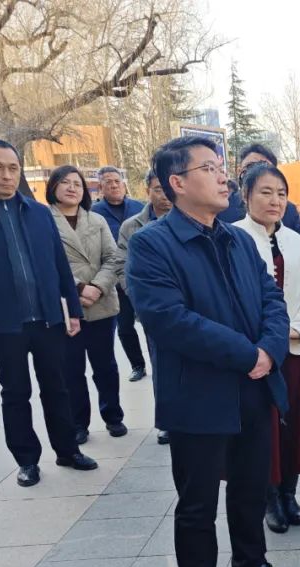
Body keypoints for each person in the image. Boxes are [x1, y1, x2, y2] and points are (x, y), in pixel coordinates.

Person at [127, 135, 298, 567]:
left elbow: (272, 298)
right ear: (177, 183)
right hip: (199, 398)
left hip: (253, 388)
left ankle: (250, 562)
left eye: (222, 166)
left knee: (250, 487)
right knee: (198, 501)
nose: (223, 176)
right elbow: (169, 320)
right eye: (209, 167)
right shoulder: (151, 244)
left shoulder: (239, 239)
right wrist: (249, 355)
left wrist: (269, 350)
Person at [0, 139, 98, 487]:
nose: (7, 175)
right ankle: (27, 460)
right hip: (4, 324)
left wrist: (72, 311)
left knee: (57, 387)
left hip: (47, 319)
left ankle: (67, 450)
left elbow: (59, 265)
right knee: (15, 392)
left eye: (13, 168)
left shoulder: (39, 213)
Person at [233, 164, 300, 532]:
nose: (275, 200)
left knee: (295, 424)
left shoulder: (297, 242)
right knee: (263, 427)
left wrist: (293, 331)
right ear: (246, 195)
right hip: (257, 354)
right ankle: (269, 496)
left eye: (281, 194)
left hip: (295, 351)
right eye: (266, 192)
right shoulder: (232, 237)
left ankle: (289, 492)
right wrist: (267, 339)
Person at [47, 166, 128, 445]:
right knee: (72, 369)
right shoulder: (44, 221)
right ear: (53, 187)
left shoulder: (97, 220)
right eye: (65, 183)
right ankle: (79, 422)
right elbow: (46, 263)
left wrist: (97, 287)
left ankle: (113, 416)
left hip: (101, 302)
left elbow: (114, 258)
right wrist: (79, 288)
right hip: (66, 306)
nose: (72, 188)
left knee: (105, 365)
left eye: (77, 184)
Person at [113, 170, 174, 444]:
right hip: (154, 311)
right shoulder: (132, 226)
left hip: (188, 308)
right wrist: (142, 298)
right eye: (158, 188)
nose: (164, 195)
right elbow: (121, 267)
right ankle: (167, 421)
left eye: (168, 188)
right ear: (147, 190)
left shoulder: (193, 218)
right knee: (161, 364)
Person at [91, 166, 148, 382]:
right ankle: (137, 365)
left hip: (142, 275)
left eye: (117, 181)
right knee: (125, 326)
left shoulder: (139, 208)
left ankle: (158, 362)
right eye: (108, 182)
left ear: (123, 184)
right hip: (115, 279)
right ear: (100, 187)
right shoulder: (94, 213)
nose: (114, 185)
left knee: (152, 322)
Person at [217, 143, 300, 239]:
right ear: (240, 171)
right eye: (250, 166)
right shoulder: (223, 209)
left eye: (264, 167)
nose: (257, 172)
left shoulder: (288, 210)